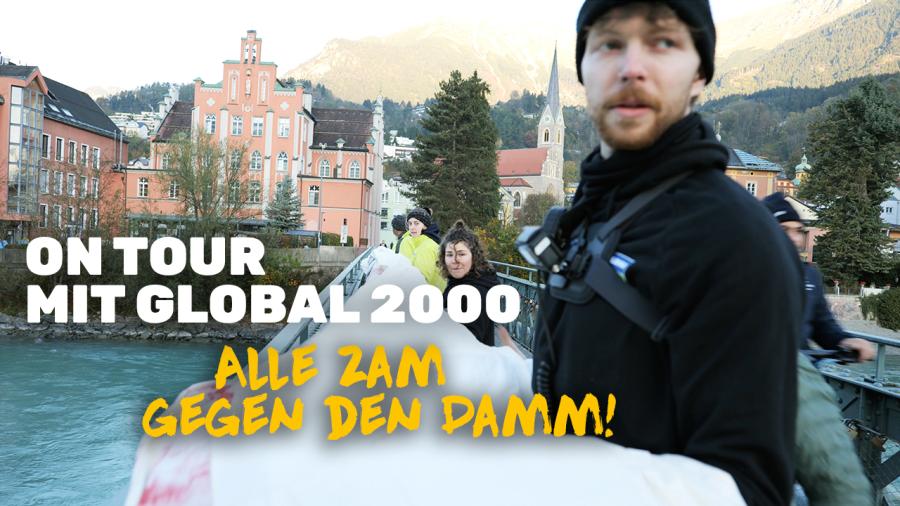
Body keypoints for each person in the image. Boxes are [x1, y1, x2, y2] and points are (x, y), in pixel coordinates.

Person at [531, 2, 802, 504]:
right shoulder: (585, 218)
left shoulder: (736, 241)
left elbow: (749, 488)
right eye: (609, 43)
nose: (631, 66)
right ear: (584, 68)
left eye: (662, 43)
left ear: (700, 72)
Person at [763, 192, 876, 362]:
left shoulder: (809, 274)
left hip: (799, 374)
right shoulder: (744, 272)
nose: (794, 238)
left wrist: (844, 341)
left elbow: (821, 324)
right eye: (783, 230)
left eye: (799, 230)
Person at [439, 220, 519, 349]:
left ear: (474, 257)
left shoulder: (473, 292)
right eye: (449, 254)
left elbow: (469, 346)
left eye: (461, 254)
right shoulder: (459, 282)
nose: (455, 260)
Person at [399, 208, 446, 290]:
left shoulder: (427, 246)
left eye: (416, 224)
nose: (412, 227)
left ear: (424, 225)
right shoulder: (423, 243)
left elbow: (420, 280)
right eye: (410, 224)